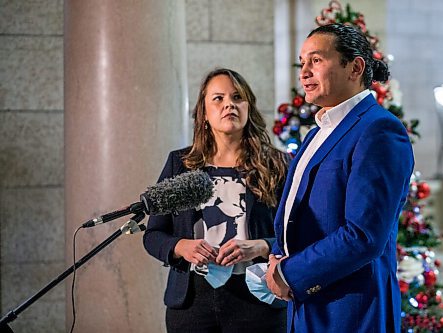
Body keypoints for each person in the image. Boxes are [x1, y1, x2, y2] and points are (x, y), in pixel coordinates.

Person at [265, 23, 415, 333]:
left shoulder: (379, 130)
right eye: (302, 62)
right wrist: (277, 257)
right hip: (307, 306)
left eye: (316, 60)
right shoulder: (317, 132)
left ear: (355, 67)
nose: (304, 72)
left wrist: (290, 274)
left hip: (350, 312)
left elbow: (363, 236)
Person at [143, 68, 288, 333]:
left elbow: (297, 236)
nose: (229, 104)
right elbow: (153, 234)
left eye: (237, 97)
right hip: (191, 302)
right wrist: (180, 246)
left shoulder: (277, 164)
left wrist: (260, 246)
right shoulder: (181, 164)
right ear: (204, 113)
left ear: (248, 107)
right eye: (218, 98)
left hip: (258, 299)